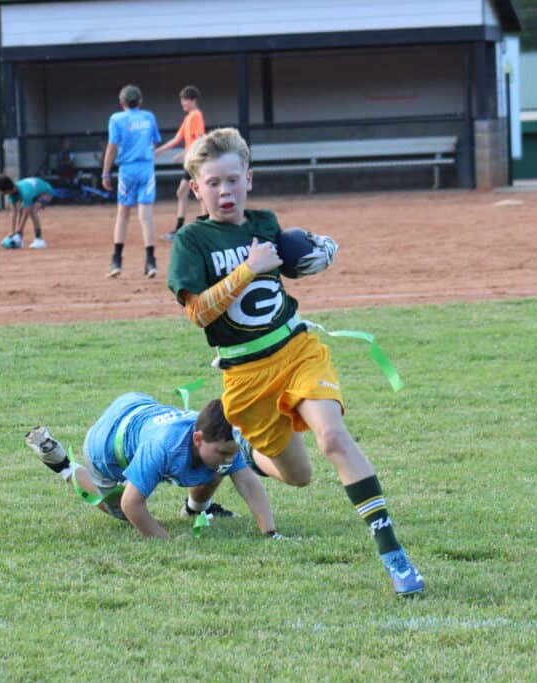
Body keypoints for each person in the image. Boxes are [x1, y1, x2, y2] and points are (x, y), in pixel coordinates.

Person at [165, 127, 425, 595]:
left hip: (297, 349)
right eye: (213, 183)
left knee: (332, 437)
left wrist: (313, 254)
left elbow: (288, 261)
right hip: (244, 376)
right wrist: (248, 269)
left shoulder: (265, 223)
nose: (224, 192)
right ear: (195, 188)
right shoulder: (191, 242)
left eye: (232, 179)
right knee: (299, 477)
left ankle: (394, 555)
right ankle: (247, 453)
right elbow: (197, 313)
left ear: (249, 178)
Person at [24, 392, 279, 540]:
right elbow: (131, 504)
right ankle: (62, 464)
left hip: (137, 407)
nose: (228, 456)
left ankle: (194, 509)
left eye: (230, 452)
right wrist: (166, 542)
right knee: (121, 513)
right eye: (223, 451)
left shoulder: (220, 440)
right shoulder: (164, 447)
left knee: (216, 467)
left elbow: (249, 484)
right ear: (197, 438)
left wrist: (270, 533)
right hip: (105, 446)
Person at [102, 85, 162, 279]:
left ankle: (117, 261)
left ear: (122, 103)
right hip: (146, 168)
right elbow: (154, 141)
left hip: (127, 170)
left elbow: (112, 148)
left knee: (123, 215)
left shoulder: (116, 119)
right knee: (146, 216)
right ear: (140, 102)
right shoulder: (149, 116)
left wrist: (105, 173)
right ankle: (151, 261)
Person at [155, 85, 206, 241]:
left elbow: (200, 139)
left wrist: (184, 154)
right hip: (192, 161)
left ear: (193, 100)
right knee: (185, 192)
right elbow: (177, 139)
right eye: (182, 100)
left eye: (185, 100)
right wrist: (159, 151)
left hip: (196, 161)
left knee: (198, 194)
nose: (182, 103)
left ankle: (203, 227)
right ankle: (182, 228)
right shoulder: (188, 117)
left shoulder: (196, 115)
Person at [0, 174, 54, 249]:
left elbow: (26, 213)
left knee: (32, 210)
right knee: (20, 209)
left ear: (6, 189)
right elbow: (14, 213)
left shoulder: (25, 192)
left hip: (46, 192)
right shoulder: (12, 193)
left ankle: (39, 239)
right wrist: (12, 232)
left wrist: (18, 232)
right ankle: (20, 239)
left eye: (0, 189)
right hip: (34, 192)